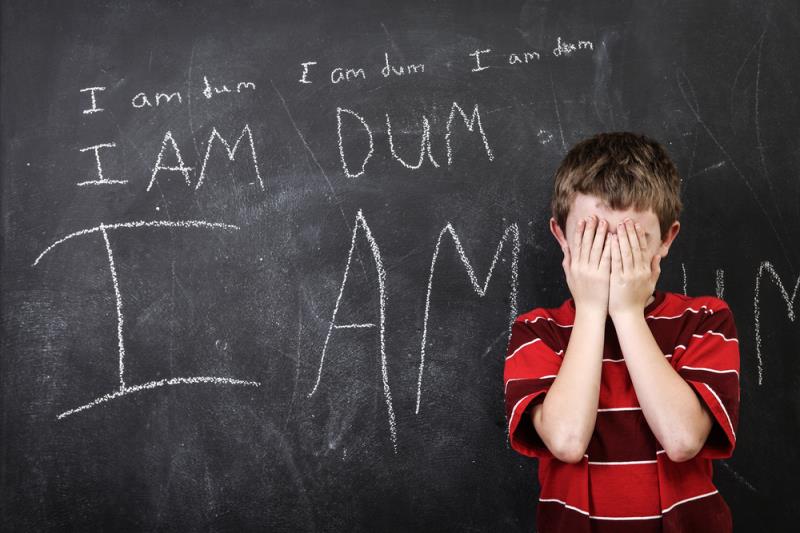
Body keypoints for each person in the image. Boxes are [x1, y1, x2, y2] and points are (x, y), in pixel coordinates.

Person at [503, 132, 740, 532]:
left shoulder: (704, 319)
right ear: (561, 237)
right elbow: (566, 441)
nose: (612, 256)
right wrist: (591, 309)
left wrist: (628, 312)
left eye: (632, 241)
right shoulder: (537, 331)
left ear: (666, 239)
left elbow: (683, 440)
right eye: (593, 239)